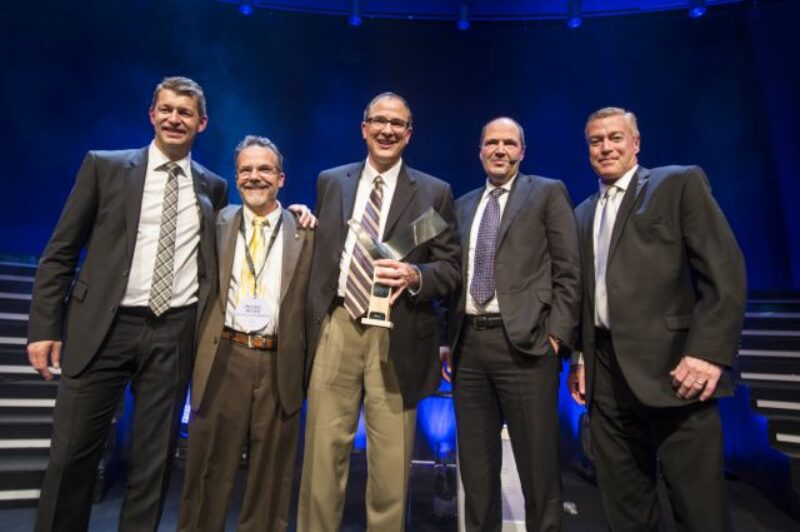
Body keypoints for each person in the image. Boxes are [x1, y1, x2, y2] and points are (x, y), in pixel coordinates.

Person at [26, 76, 228, 531]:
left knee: (153, 461)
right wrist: (44, 326)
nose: (175, 118)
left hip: (173, 331)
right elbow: (60, 250)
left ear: (202, 123)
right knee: (73, 453)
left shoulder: (213, 187)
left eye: (186, 112)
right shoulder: (105, 166)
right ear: (152, 114)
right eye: (167, 109)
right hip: (104, 326)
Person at [568, 107, 747, 531]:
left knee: (699, 509)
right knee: (626, 506)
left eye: (615, 137)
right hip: (606, 376)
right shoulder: (581, 212)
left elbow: (725, 272)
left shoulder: (677, 183)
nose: (606, 147)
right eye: (596, 141)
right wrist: (580, 357)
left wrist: (707, 353)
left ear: (636, 143)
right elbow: (583, 296)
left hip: (677, 370)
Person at [297, 92, 461, 532]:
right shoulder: (331, 182)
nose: (387, 130)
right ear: (364, 127)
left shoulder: (432, 192)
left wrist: (414, 274)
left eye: (397, 124)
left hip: (398, 332)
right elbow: (323, 246)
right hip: (338, 326)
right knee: (321, 458)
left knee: (390, 469)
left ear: (409, 134)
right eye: (379, 121)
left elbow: (450, 269)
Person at [442, 117, 580, 531]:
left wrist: (557, 336)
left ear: (522, 151)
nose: (499, 149)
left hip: (526, 345)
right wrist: (444, 340)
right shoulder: (462, 205)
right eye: (491, 143)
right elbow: (448, 275)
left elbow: (569, 271)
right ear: (480, 151)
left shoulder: (547, 192)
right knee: (477, 470)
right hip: (469, 348)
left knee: (538, 469)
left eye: (508, 143)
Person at [177, 135, 314, 531]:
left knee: (271, 479)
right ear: (236, 178)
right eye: (246, 170)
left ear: (282, 179)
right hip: (224, 357)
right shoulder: (216, 222)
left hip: (279, 363)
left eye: (265, 169)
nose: (255, 177)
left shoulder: (307, 231)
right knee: (207, 472)